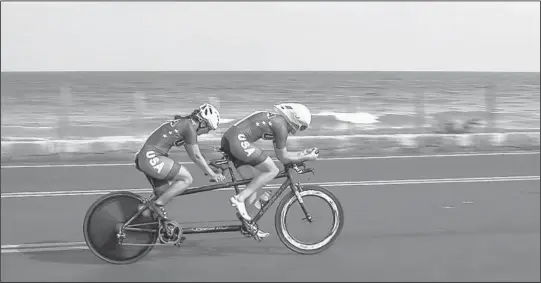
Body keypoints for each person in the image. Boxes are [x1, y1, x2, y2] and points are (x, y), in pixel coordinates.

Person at [220, 103, 319, 238]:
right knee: (272, 170)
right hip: (237, 141)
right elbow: (283, 158)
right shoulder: (281, 126)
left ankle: (248, 223)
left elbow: (283, 153)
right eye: (298, 126)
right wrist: (307, 157)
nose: (295, 131)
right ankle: (239, 198)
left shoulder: (277, 121)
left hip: (229, 140)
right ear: (293, 119)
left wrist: (301, 154)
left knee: (253, 186)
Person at [135, 103, 226, 220]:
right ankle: (156, 206)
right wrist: (213, 174)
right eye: (208, 128)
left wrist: (209, 167)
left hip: (145, 157)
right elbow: (197, 156)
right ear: (202, 123)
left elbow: (194, 154)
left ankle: (144, 213)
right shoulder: (189, 128)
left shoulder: (185, 124)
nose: (207, 132)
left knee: (165, 193)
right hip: (152, 158)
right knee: (186, 179)